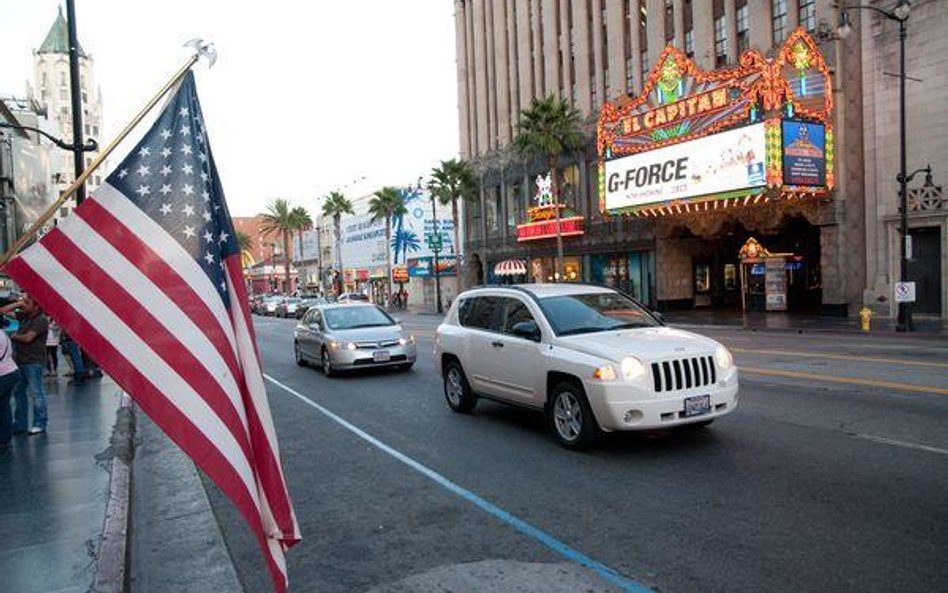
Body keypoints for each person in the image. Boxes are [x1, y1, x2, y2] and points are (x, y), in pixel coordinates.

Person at [0, 295, 50, 435]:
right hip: (20, 360)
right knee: (19, 393)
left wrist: (14, 336)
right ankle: (20, 424)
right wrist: (18, 303)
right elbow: (2, 311)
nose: (23, 305)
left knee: (36, 393)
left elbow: (28, 338)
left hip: (34, 362)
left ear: (37, 306)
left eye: (27, 302)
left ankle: (40, 423)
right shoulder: (24, 316)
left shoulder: (41, 320)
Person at [0, 316, 22, 453]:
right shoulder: (3, 334)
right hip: (11, 372)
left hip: (2, 375)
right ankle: (5, 438)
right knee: (4, 406)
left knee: (3, 406)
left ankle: (3, 438)